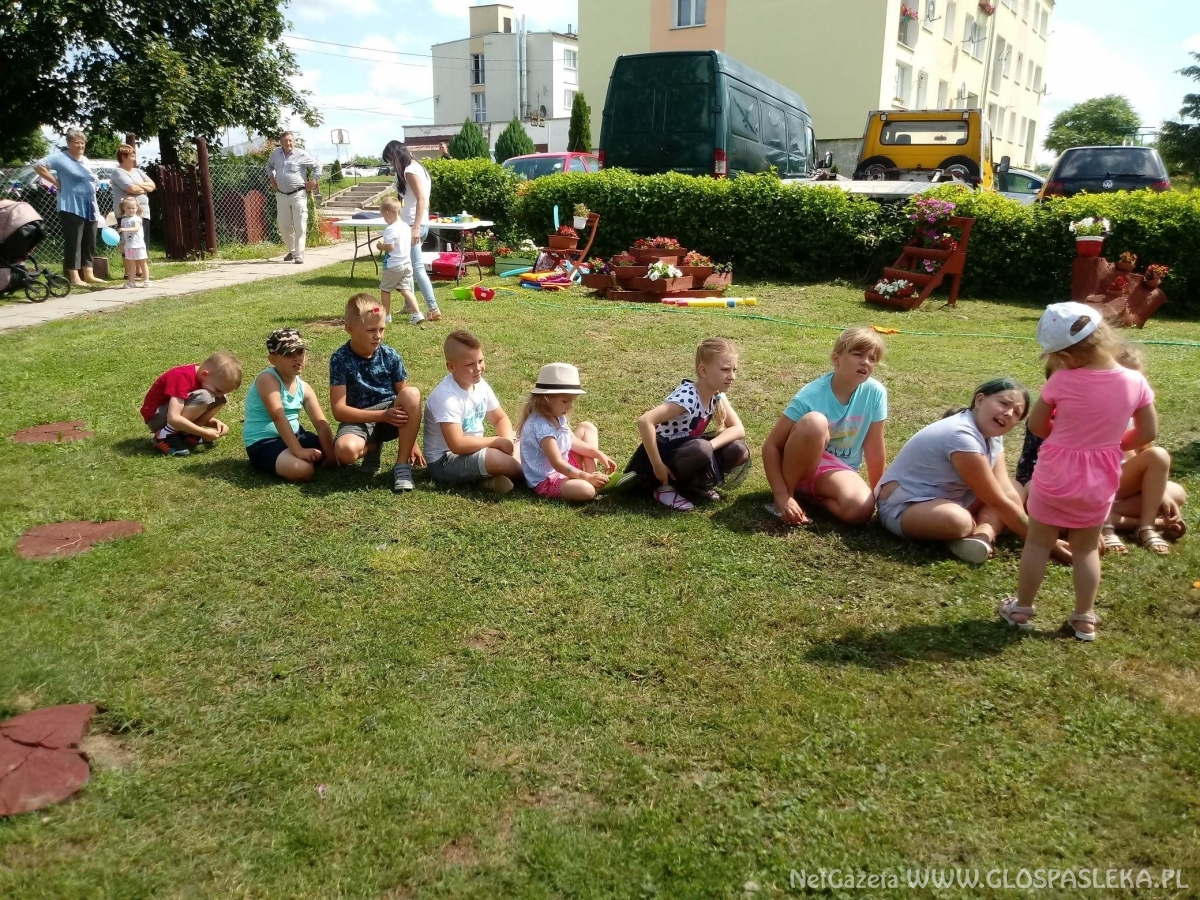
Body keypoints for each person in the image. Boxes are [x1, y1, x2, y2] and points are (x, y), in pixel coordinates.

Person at [999, 304, 1158, 641]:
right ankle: (1084, 618)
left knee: (1038, 542)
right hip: (1101, 475)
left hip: (1055, 473)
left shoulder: (1061, 381)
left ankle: (1022, 609)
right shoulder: (1135, 381)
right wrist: (1112, 444)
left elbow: (1037, 425)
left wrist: (1064, 437)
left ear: (1067, 356)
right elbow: (1148, 433)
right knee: (1086, 548)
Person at [1015, 344, 1186, 555]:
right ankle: (1115, 522)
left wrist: (1159, 493)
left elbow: (1137, 452)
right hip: (1064, 483)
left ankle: (1125, 521)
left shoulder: (1125, 413)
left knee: (1174, 491)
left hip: (1111, 481)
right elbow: (1043, 457)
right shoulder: (1058, 412)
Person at [875, 378, 1067, 565]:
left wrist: (1027, 533)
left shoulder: (993, 436)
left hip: (952, 499)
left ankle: (982, 537)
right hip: (903, 507)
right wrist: (1042, 542)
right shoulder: (961, 435)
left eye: (1017, 413)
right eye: (1003, 403)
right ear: (980, 400)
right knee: (958, 521)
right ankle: (965, 532)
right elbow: (995, 500)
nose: (1009, 413)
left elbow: (1004, 490)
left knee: (1014, 488)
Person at [761, 327, 887, 526]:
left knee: (861, 509)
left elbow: (874, 448)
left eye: (872, 358)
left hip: (836, 470)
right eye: (858, 354)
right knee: (815, 423)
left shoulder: (875, 393)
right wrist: (781, 495)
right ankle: (788, 497)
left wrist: (879, 497)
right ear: (837, 359)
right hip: (798, 465)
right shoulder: (811, 395)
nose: (866, 362)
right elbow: (771, 446)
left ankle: (809, 498)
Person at [626, 337, 751, 512]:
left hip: (689, 448)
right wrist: (657, 465)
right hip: (662, 454)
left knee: (738, 449)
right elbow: (645, 421)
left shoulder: (717, 395)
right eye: (725, 369)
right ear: (703, 371)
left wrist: (710, 446)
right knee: (701, 448)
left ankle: (693, 485)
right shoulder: (688, 397)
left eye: (734, 370)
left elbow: (738, 429)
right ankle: (663, 488)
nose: (732, 376)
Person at [329, 293, 424, 492]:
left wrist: (412, 444)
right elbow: (339, 410)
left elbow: (406, 398)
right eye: (371, 330)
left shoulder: (390, 355)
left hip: (392, 417)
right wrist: (381, 415)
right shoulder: (340, 359)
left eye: (382, 329)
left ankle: (401, 466)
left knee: (412, 393)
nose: (378, 336)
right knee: (345, 452)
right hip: (359, 418)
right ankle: (373, 446)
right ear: (349, 329)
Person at [423, 330, 523, 493]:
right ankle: (532, 475)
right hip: (445, 461)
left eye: (480, 361)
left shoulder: (480, 384)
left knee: (524, 435)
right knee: (495, 457)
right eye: (470, 364)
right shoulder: (446, 397)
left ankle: (489, 478)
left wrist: (507, 442)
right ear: (451, 367)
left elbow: (500, 418)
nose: (478, 368)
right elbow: (457, 444)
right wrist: (496, 442)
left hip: (475, 450)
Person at [243, 329, 337, 482]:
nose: (296, 358)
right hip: (264, 442)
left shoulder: (304, 387)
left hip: (295, 436)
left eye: (300, 352)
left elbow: (321, 424)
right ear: (272, 359)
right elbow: (278, 416)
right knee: (304, 470)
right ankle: (286, 460)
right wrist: (299, 451)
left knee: (339, 448)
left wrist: (332, 457)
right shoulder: (267, 379)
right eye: (288, 354)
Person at [517, 363, 617, 502]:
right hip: (548, 478)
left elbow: (573, 442)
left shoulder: (557, 415)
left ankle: (594, 476)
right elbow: (557, 463)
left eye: (572, 401)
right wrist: (586, 477)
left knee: (587, 427)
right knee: (586, 491)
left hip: (566, 464)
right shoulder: (541, 426)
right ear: (545, 399)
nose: (570, 406)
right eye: (565, 401)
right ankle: (591, 480)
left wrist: (597, 453)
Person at [33, 129, 104, 288]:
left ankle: (89, 275)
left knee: (89, 241)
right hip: (71, 206)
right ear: (69, 143)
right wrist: (55, 182)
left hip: (90, 206)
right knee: (74, 242)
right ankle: (74, 277)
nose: (80, 146)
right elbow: (38, 165)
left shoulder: (85, 160)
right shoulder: (60, 158)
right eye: (77, 143)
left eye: (83, 143)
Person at [140, 352, 242, 457]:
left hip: (170, 416)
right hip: (156, 418)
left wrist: (215, 423)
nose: (219, 394)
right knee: (205, 396)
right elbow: (173, 418)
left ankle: (187, 434)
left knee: (221, 399)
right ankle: (164, 435)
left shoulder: (208, 380)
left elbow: (190, 410)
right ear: (204, 375)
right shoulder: (181, 376)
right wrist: (203, 432)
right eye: (218, 390)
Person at [382, 141, 441, 320]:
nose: (391, 164)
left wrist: (415, 228)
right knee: (408, 265)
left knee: (416, 267)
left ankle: (433, 308)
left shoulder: (410, 170)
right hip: (416, 223)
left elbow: (422, 199)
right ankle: (410, 306)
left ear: (396, 155)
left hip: (412, 225)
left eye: (391, 159)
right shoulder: (418, 167)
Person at [266, 131, 319, 264]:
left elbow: (317, 166)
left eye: (290, 140)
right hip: (281, 194)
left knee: (300, 224)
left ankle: (299, 255)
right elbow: (269, 167)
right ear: (281, 143)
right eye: (285, 141)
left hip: (298, 194)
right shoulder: (275, 154)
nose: (288, 143)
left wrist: (313, 181)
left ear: (294, 142)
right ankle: (292, 250)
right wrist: (272, 179)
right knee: (283, 224)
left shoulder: (301, 154)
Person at [110, 143, 155, 281]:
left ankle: (140, 272)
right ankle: (129, 272)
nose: (134, 158)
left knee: (141, 242)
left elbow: (152, 186)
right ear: (123, 157)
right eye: (132, 155)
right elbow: (131, 189)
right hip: (126, 215)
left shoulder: (138, 172)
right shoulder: (118, 172)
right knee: (129, 242)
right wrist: (143, 187)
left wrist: (139, 185)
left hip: (142, 213)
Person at [375, 197, 422, 325]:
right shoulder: (406, 227)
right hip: (406, 264)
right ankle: (417, 313)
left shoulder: (390, 229)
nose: (384, 219)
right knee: (405, 290)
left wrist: (381, 246)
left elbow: (390, 247)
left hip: (393, 265)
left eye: (383, 216)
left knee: (385, 290)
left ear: (387, 213)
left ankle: (386, 316)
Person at [116, 197, 148, 288]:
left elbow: (136, 228)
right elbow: (124, 236)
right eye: (128, 208)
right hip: (129, 246)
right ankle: (131, 282)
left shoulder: (137, 219)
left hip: (138, 245)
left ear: (137, 208)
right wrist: (122, 244)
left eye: (133, 208)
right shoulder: (123, 220)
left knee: (142, 263)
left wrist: (124, 229)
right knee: (131, 264)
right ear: (124, 208)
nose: (131, 210)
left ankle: (147, 281)